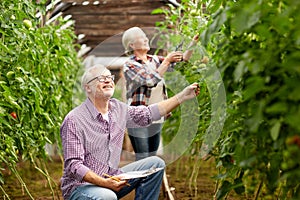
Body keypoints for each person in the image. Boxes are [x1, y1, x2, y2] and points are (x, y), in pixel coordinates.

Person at [60, 64, 200, 200]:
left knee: (155, 164)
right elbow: (74, 166)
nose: (108, 80)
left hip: (111, 178)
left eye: (109, 77)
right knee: (107, 196)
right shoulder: (74, 120)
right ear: (87, 88)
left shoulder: (118, 109)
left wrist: (182, 96)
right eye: (101, 78)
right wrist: (105, 183)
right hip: (82, 187)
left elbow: (148, 113)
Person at [122, 27, 199, 160]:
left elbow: (181, 62)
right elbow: (149, 80)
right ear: (132, 45)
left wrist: (193, 44)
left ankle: (152, 181)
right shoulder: (130, 65)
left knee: (152, 157)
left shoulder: (155, 60)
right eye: (141, 37)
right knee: (143, 159)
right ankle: (142, 181)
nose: (146, 39)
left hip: (156, 116)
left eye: (145, 36)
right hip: (138, 118)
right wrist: (167, 60)